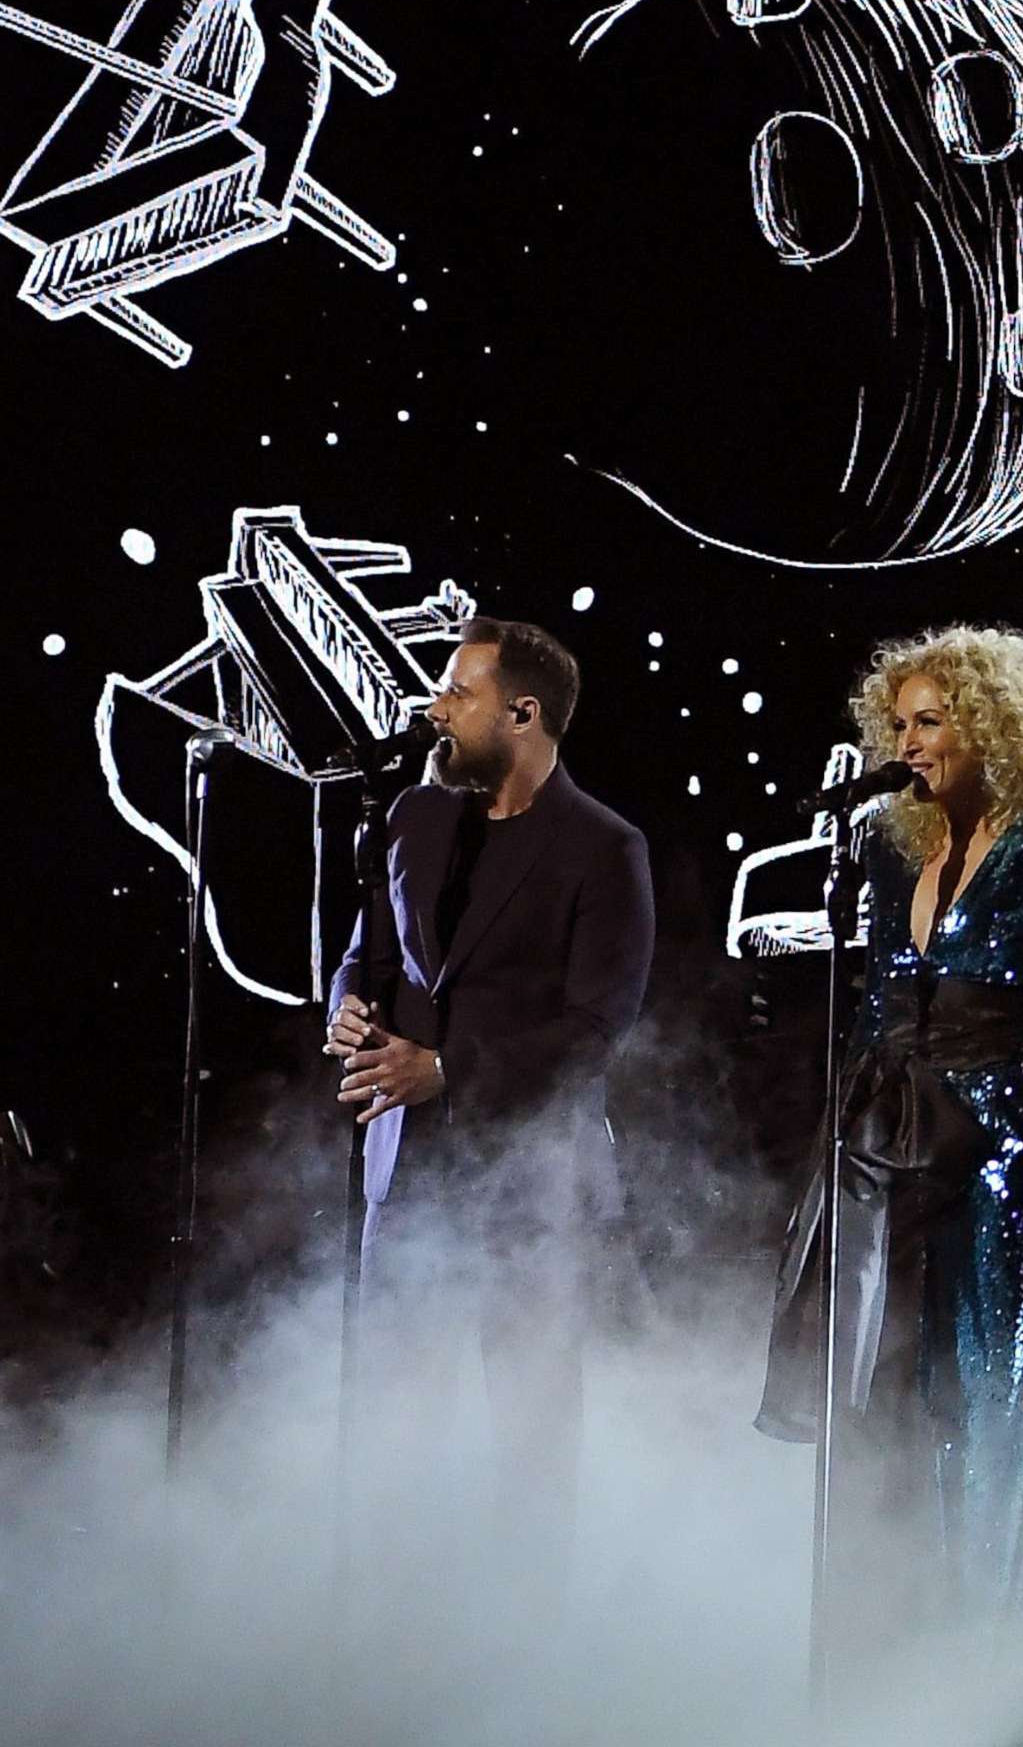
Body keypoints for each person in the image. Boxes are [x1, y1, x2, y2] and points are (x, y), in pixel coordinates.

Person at [757, 624, 1023, 1693]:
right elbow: (872, 1002)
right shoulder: (884, 843)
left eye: (931, 719)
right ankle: (877, 1659)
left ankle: (998, 1666)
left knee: (981, 1401)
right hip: (882, 1138)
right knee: (877, 1391)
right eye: (898, 721)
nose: (909, 740)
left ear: (994, 725)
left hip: (1000, 1147)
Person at [323, 616, 653, 1603]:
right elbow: (368, 943)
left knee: (528, 1429)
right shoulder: (419, 819)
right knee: (396, 1412)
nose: (435, 707)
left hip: (533, 1180)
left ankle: (525, 1631)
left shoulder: (605, 846)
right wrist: (343, 999)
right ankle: (396, 1621)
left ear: (523, 711)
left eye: (457, 692)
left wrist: (451, 1068)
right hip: (408, 1165)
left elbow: (598, 1027)